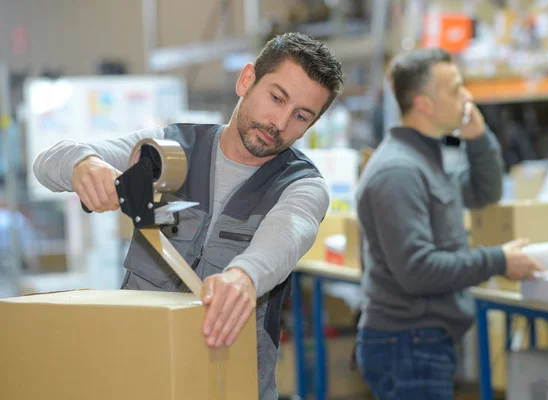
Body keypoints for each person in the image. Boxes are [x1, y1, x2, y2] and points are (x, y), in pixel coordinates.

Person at [33, 32, 343, 400]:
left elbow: (287, 235)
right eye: (276, 97)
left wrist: (244, 277)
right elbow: (48, 163)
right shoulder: (169, 146)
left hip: (231, 384)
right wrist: (84, 165)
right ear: (246, 80)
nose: (279, 121)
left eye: (300, 116)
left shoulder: (301, 185)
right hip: (135, 375)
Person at [354, 48, 544, 400]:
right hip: (407, 343)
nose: (467, 96)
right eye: (456, 89)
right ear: (424, 105)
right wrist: (499, 260)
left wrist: (478, 137)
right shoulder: (399, 171)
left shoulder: (430, 158)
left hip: (421, 341)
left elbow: (485, 191)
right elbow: (418, 270)